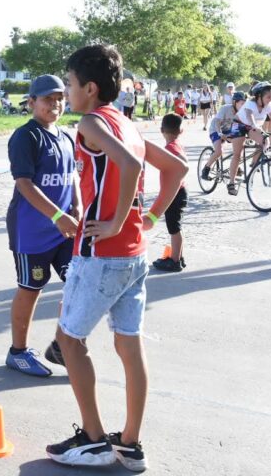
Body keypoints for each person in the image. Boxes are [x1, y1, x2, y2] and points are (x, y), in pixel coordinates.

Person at [46, 44, 187, 470]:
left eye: (69, 84)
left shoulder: (91, 122)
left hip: (102, 253)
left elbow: (126, 165)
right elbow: (176, 171)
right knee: (129, 345)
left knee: (69, 341)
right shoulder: (125, 122)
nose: (66, 92)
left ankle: (93, 440)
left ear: (89, 88)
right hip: (134, 256)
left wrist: (116, 220)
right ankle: (130, 443)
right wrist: (149, 217)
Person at [5, 75, 80, 377]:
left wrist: (77, 207)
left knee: (79, 285)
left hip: (64, 230)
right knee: (31, 289)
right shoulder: (26, 137)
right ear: (32, 101)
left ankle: (60, 346)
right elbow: (24, 183)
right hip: (32, 232)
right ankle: (18, 352)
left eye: (60, 98)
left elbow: (72, 175)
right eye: (48, 98)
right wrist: (57, 215)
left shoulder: (65, 136)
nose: (56, 104)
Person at [227, 82, 271, 196]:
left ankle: (253, 164)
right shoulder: (250, 104)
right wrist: (254, 125)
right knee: (237, 154)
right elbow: (249, 116)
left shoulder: (268, 105)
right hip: (240, 124)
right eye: (268, 97)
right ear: (259, 96)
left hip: (252, 127)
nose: (270, 100)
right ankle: (231, 182)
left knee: (264, 141)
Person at [152, 113, 187, 272]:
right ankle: (178, 255)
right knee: (175, 226)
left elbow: (182, 165)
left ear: (161, 130)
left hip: (175, 192)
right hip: (178, 191)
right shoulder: (177, 145)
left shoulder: (171, 149)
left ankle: (174, 260)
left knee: (174, 228)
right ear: (181, 131)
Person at [202, 91, 246, 176]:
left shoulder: (242, 112)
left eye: (245, 104)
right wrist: (220, 133)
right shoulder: (225, 108)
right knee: (219, 151)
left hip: (229, 130)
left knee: (239, 148)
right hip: (215, 129)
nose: (243, 106)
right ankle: (206, 169)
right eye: (241, 103)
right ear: (234, 102)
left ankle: (236, 166)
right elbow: (218, 122)